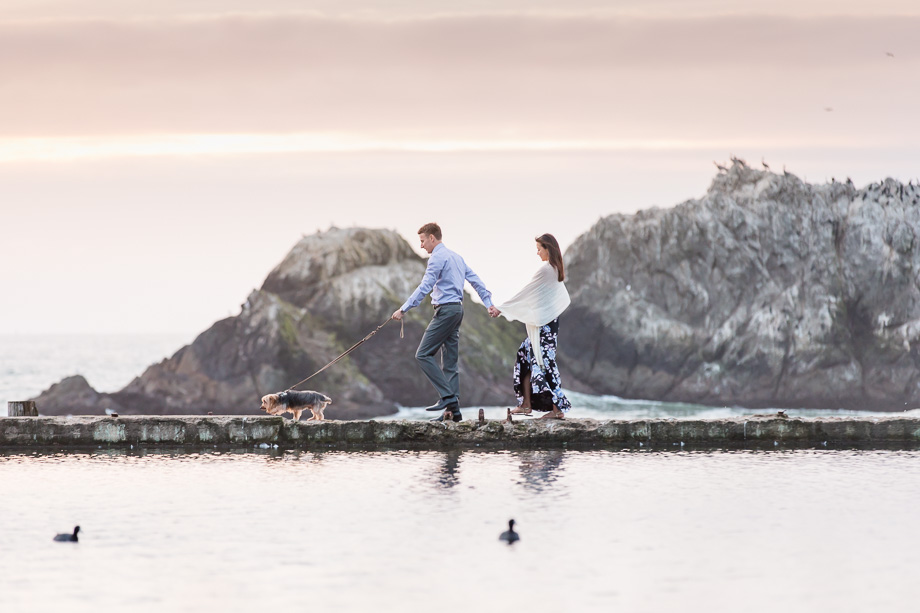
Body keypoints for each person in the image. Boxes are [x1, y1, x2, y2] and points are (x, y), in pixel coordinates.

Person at [392, 223, 497, 423]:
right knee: (449, 361)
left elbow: (425, 286)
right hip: (457, 310)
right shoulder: (457, 257)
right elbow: (476, 281)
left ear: (432, 238)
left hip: (446, 310)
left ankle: (447, 398)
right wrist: (488, 303)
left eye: (422, 241)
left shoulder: (437, 258)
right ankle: (454, 412)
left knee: (422, 354)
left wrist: (404, 308)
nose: (421, 246)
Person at [490, 233, 571, 419]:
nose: (537, 253)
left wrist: (501, 309)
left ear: (547, 249)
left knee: (544, 363)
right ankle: (526, 405)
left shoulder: (547, 270)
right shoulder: (555, 269)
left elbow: (526, 293)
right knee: (526, 354)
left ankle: (557, 410)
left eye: (539, 249)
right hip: (549, 324)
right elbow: (540, 298)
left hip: (546, 327)